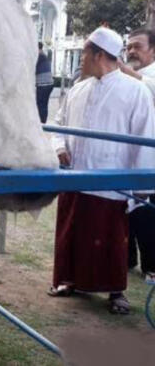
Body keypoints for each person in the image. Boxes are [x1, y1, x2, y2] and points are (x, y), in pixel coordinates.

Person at [49, 26, 155, 315]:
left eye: (84, 52)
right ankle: (67, 281)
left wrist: (141, 181)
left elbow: (144, 136)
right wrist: (59, 148)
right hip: (74, 177)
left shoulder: (136, 91)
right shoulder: (79, 88)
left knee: (111, 241)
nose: (81, 59)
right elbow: (58, 123)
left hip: (111, 183)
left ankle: (115, 292)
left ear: (98, 55)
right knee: (71, 235)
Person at [118, 28, 155, 283]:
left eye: (137, 46)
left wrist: (122, 70)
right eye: (128, 46)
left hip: (150, 155)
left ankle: (151, 266)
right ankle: (126, 259)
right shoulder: (127, 78)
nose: (131, 51)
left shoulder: (146, 78)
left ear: (153, 50)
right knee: (125, 208)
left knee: (147, 212)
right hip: (126, 153)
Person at [35, 42, 54, 123]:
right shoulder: (44, 55)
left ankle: (42, 123)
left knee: (40, 105)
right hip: (49, 84)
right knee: (44, 105)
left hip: (43, 84)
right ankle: (43, 123)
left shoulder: (38, 56)